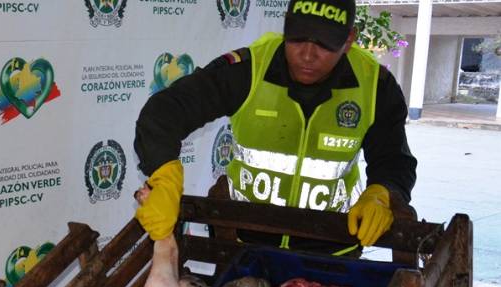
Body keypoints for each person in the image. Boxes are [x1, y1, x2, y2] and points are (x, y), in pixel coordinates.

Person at [133, 0, 417, 255]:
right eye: (297, 38)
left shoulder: (375, 86)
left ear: (349, 40)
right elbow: (165, 112)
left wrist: (381, 193)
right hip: (242, 242)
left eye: (324, 43)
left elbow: (393, 160)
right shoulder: (249, 69)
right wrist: (164, 176)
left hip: (333, 247)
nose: (307, 54)